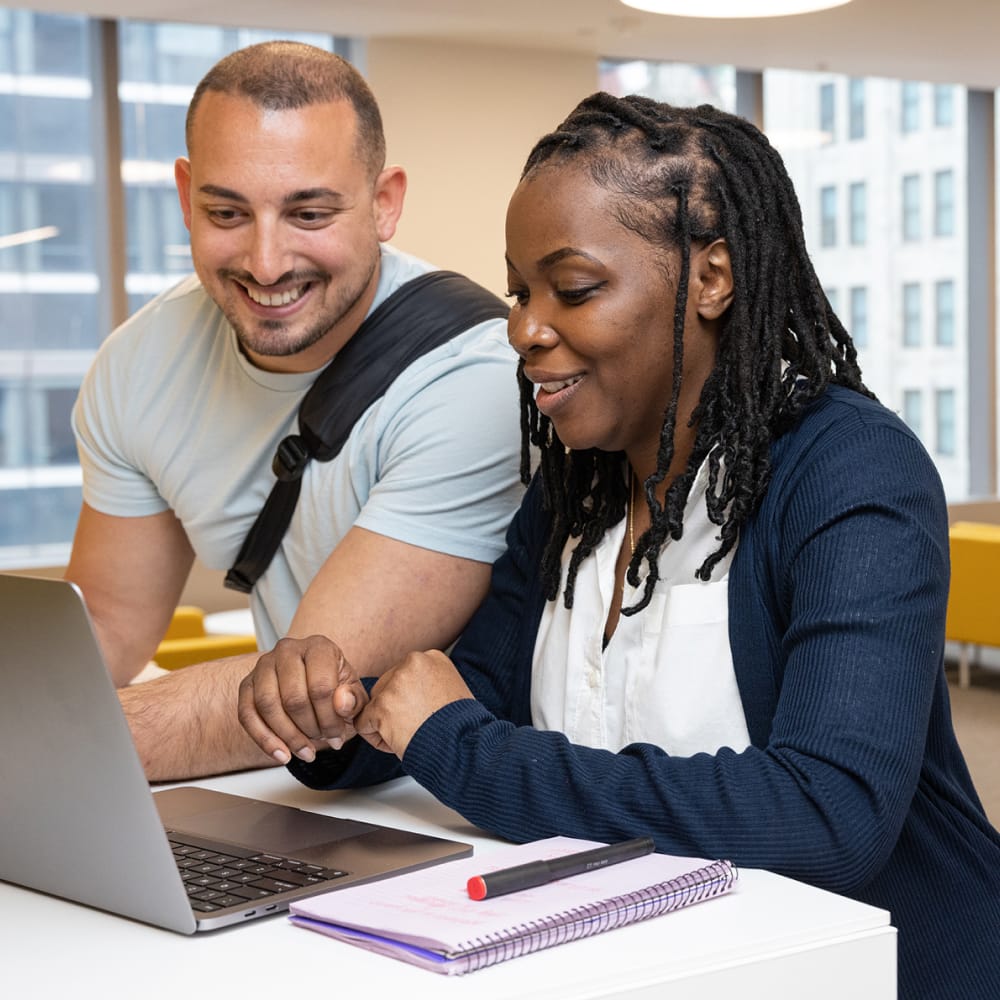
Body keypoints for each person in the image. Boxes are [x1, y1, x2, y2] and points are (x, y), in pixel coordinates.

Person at [238, 93, 1000, 997]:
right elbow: (474, 693)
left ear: (712, 278)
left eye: (575, 288)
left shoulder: (852, 470)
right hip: (659, 968)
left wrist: (462, 749)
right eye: (520, 290)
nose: (523, 327)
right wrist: (335, 719)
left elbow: (829, 811)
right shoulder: (577, 482)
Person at [66, 41, 523, 782]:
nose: (266, 261)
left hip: (449, 800)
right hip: (291, 794)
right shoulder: (136, 365)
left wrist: (48, 739)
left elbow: (310, 691)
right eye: (226, 212)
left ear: (385, 202)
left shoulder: (474, 377)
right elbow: (108, 628)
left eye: (308, 212)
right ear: (185, 196)